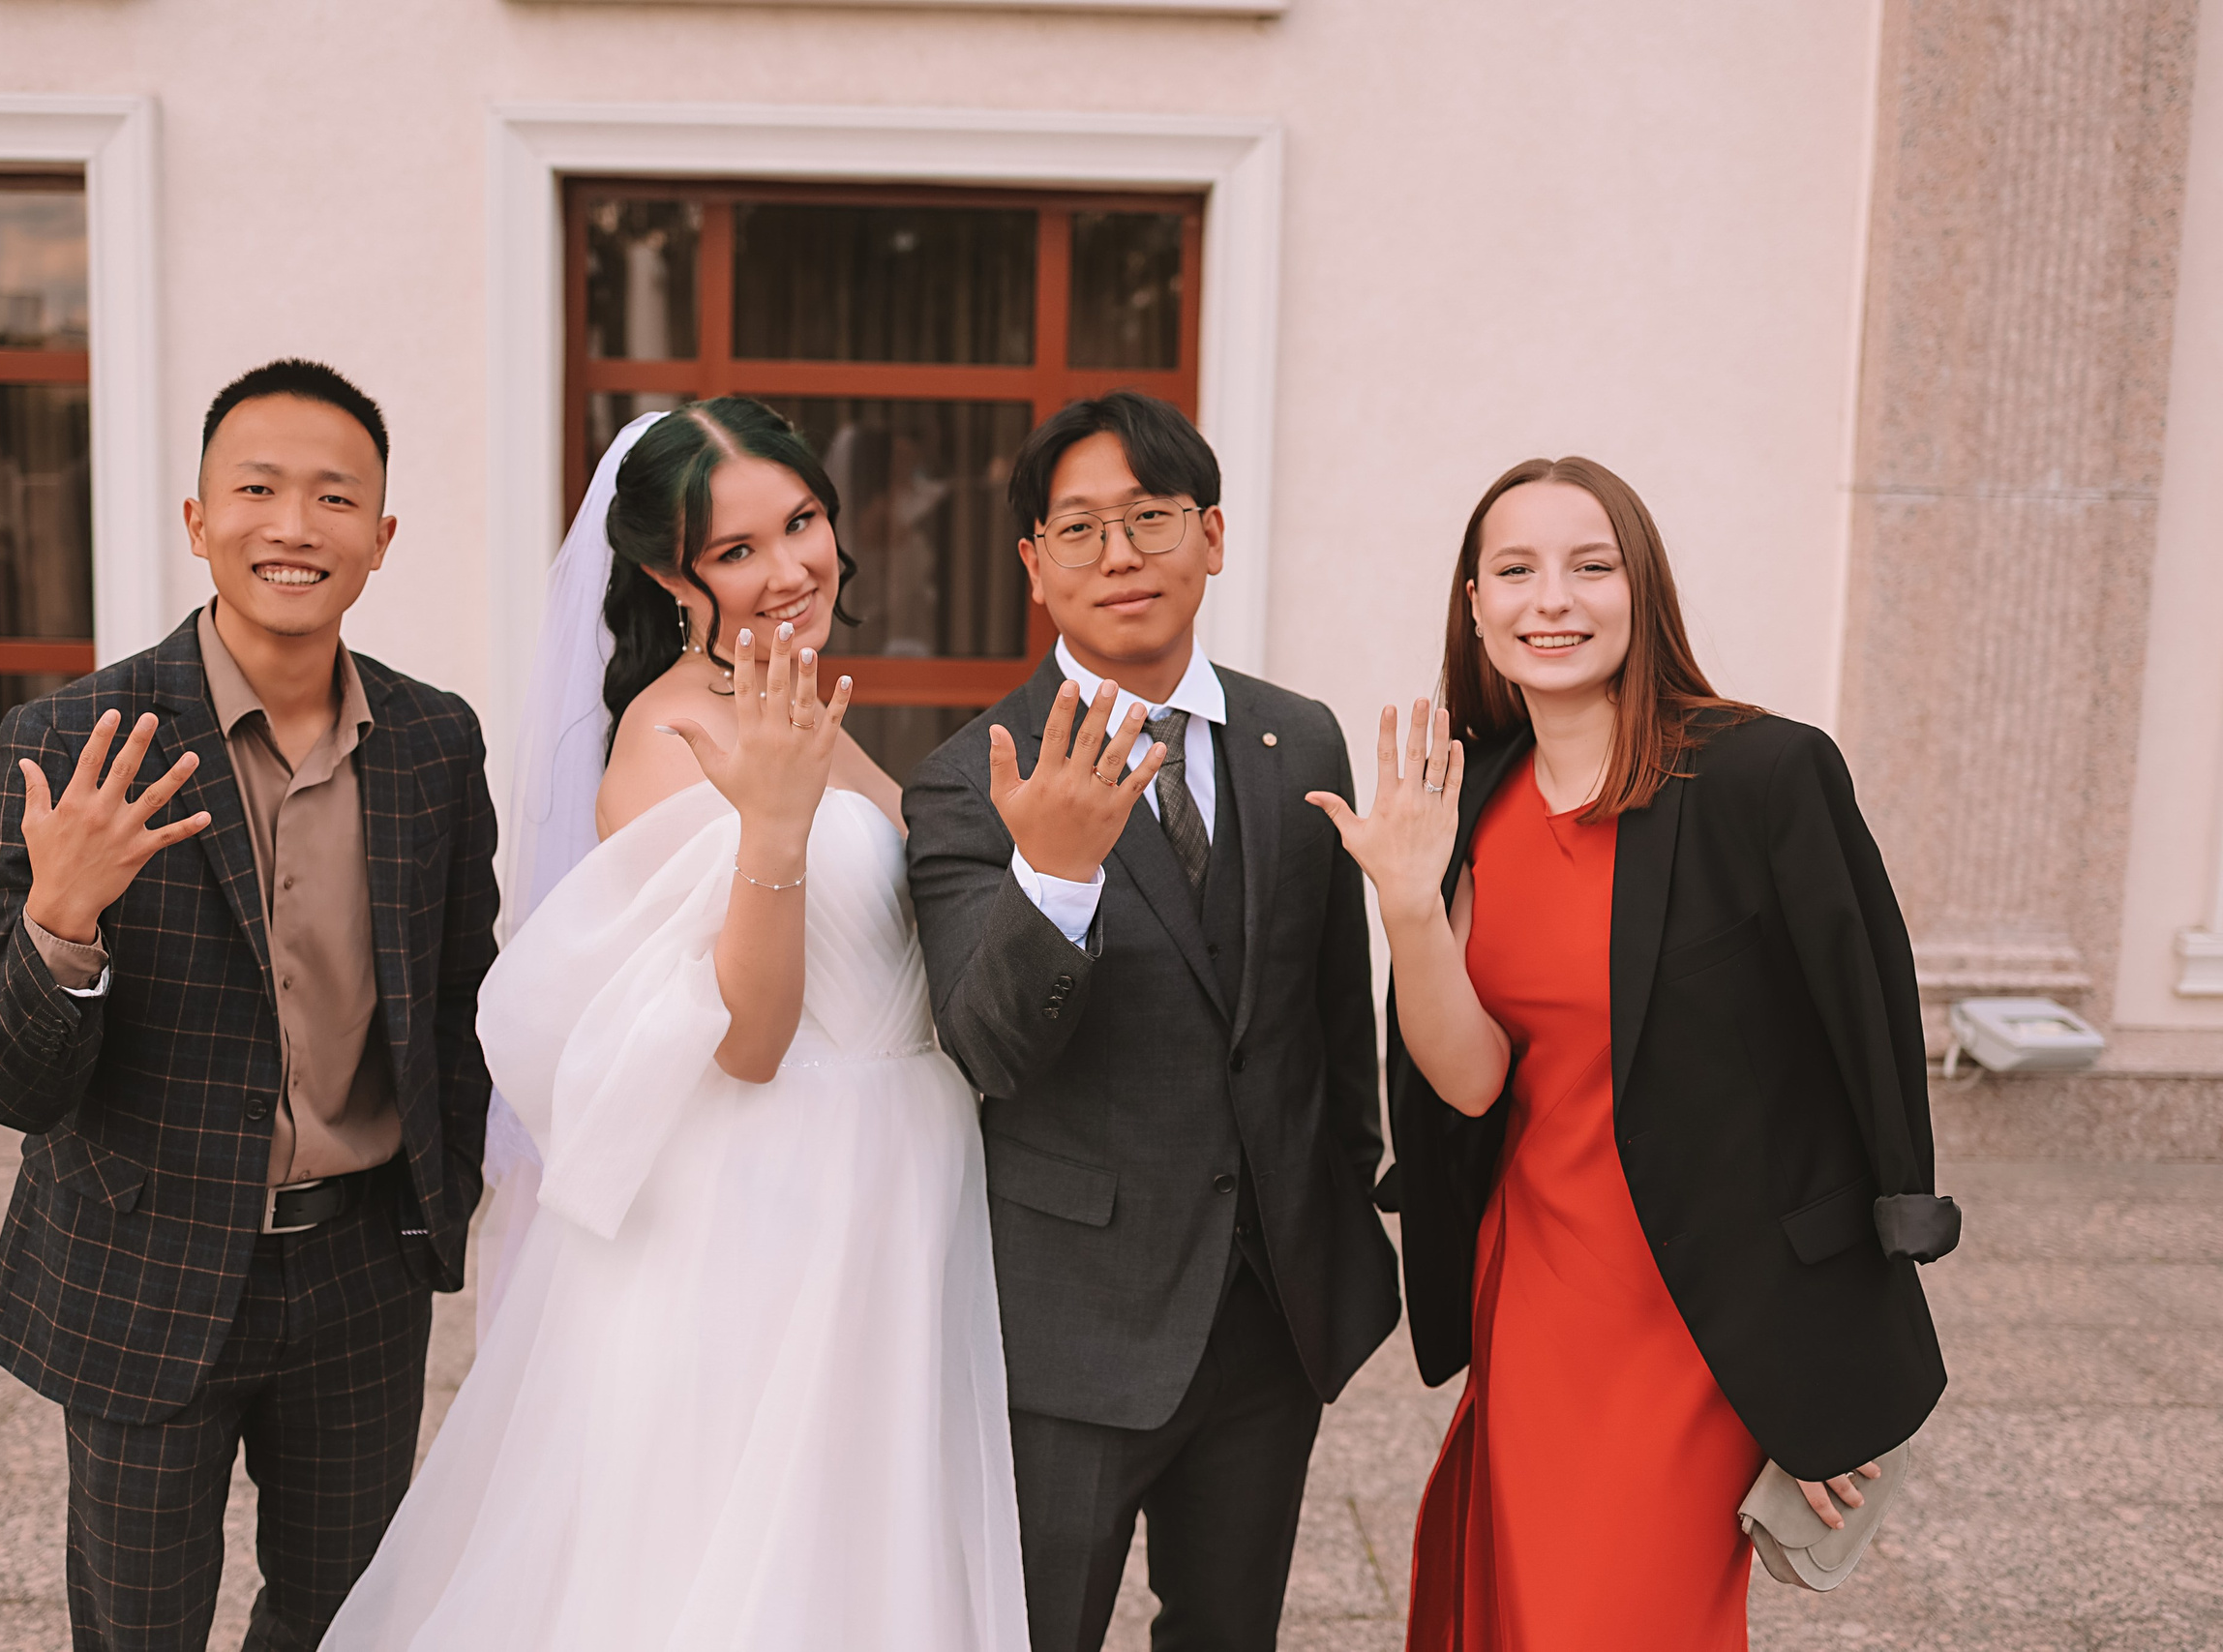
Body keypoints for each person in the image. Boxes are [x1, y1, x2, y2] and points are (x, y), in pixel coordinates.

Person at [320, 399, 1028, 1651]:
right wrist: (772, 828)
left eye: (802, 520)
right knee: (748, 1568)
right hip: (769, 1216)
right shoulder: (668, 737)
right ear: (666, 571)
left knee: (865, 1554)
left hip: (894, 1189)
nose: (791, 566)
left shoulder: (795, 699)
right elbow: (748, 1034)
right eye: (737, 549)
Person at [1307, 457, 1959, 1649]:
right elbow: (1471, 1080)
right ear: (1473, 605)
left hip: (1698, 1314)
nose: (1550, 599)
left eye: (1589, 566)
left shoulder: (1764, 775)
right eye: (1515, 570)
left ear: (1639, 588)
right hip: (1537, 1291)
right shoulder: (1474, 797)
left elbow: (1871, 1061)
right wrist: (1404, 902)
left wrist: (1844, 1369)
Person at [0, 358, 500, 1651]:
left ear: (380, 535)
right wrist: (63, 921)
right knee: (138, 1624)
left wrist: (447, 1205)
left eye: (333, 495)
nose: (293, 524)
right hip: (147, 1257)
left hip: (360, 1269)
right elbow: (10, 1082)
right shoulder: (79, 736)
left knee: (339, 1614)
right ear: (199, 520)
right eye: (256, 488)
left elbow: (461, 998)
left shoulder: (434, 741)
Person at [902, 391, 1401, 1652]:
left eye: (1152, 517)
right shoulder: (974, 773)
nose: (1120, 554)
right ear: (1033, 562)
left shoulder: (1300, 739)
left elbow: (1331, 1014)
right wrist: (1055, 878)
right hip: (1073, 1326)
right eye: (1080, 527)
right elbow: (989, 1045)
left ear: (1214, 534)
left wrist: (1337, 1209)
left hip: (1269, 1309)